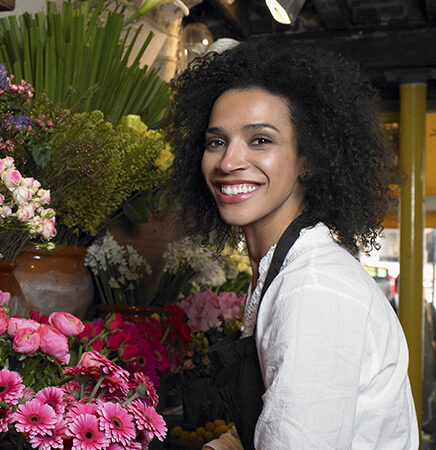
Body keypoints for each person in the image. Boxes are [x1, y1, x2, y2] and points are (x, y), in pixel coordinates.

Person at [165, 40, 418, 449]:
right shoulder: (281, 269)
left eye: (260, 140)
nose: (229, 161)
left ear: (309, 159)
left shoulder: (314, 289)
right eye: (216, 141)